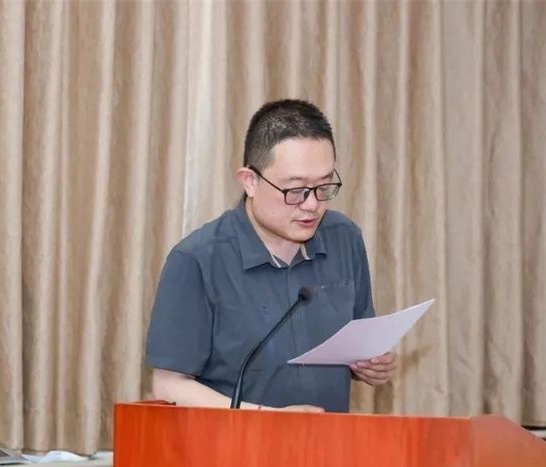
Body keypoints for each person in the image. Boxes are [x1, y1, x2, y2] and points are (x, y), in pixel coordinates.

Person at [146, 99, 396, 412]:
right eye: (295, 190)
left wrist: (370, 365)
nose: (312, 205)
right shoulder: (196, 260)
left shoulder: (345, 239)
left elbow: (357, 344)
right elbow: (169, 385)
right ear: (250, 181)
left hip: (331, 440)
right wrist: (269, 420)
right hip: (234, 442)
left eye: (324, 186)